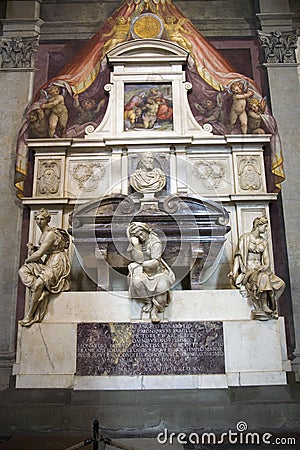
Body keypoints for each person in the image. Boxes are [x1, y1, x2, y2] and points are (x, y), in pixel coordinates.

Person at [19, 208, 71, 327]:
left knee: (37, 283)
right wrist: (34, 249)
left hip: (57, 262)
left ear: (48, 220)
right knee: (23, 270)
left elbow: (39, 254)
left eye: (42, 219)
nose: (39, 221)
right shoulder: (43, 234)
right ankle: (43, 291)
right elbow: (43, 251)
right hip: (48, 261)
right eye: (37, 219)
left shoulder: (50, 234)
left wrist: (28, 259)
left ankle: (30, 315)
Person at [229, 215, 285, 320]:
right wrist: (234, 272)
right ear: (258, 226)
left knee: (281, 284)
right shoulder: (245, 238)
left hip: (260, 269)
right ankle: (263, 306)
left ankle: (269, 300)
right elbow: (238, 256)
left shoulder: (263, 242)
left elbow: (266, 259)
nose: (266, 228)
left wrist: (265, 266)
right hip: (249, 272)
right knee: (263, 278)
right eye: (265, 226)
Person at [127, 222, 175, 323]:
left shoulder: (155, 242)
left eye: (141, 234)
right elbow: (139, 259)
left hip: (158, 273)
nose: (140, 237)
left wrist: (139, 265)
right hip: (143, 273)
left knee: (162, 287)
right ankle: (148, 302)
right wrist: (136, 245)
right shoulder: (137, 243)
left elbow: (155, 263)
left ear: (146, 230)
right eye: (137, 236)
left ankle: (154, 311)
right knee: (136, 281)